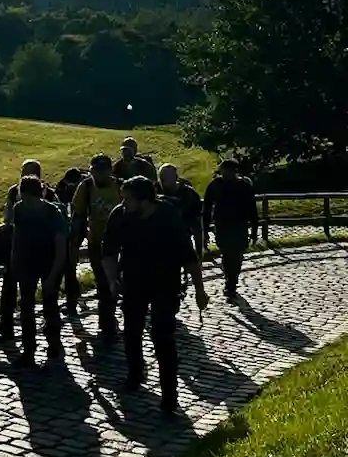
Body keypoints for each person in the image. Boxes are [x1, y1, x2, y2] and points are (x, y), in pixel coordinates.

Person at [102, 175, 209, 413]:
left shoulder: (167, 216)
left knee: (163, 336)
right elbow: (108, 251)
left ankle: (169, 393)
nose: (123, 203)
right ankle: (135, 372)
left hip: (165, 282)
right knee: (131, 332)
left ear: (145, 200)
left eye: (128, 199)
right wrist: (112, 281)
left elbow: (187, 254)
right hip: (133, 282)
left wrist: (200, 290)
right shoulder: (120, 216)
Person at [8, 173, 68, 365]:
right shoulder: (19, 209)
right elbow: (17, 239)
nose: (27, 201)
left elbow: (60, 246)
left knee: (50, 305)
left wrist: (54, 274)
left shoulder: (52, 213)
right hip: (27, 264)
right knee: (26, 307)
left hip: (48, 263)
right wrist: (14, 263)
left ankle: (53, 343)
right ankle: (28, 348)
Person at [69, 152, 126, 340]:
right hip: (97, 243)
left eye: (102, 171)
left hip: (120, 243)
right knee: (103, 282)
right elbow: (78, 216)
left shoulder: (120, 186)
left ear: (109, 171)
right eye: (95, 171)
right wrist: (74, 246)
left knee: (121, 281)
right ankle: (107, 322)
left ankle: (120, 317)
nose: (98, 175)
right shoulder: (85, 187)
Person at [0, 160, 53, 338]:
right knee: (11, 288)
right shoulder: (14, 192)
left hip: (42, 251)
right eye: (23, 172)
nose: (24, 175)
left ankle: (49, 328)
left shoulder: (49, 195)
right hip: (18, 246)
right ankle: (7, 324)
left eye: (28, 172)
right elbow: (8, 217)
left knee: (44, 293)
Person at [203, 158, 259, 299]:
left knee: (237, 255)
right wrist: (205, 230)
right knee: (227, 255)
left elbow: (252, 208)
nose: (227, 174)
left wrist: (254, 229)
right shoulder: (215, 185)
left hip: (239, 225)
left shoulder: (244, 185)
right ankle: (230, 282)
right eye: (225, 171)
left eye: (230, 171)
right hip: (222, 225)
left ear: (235, 171)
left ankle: (232, 281)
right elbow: (207, 208)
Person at [158, 163, 205, 274]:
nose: (163, 182)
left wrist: (199, 251)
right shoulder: (154, 192)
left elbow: (197, 225)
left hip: (182, 238)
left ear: (175, 178)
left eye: (167, 179)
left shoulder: (188, 195)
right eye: (162, 179)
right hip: (159, 241)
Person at [55, 168, 85, 314]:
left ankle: (72, 299)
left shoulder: (86, 185)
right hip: (71, 228)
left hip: (81, 227)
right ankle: (72, 299)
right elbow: (60, 203)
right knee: (69, 266)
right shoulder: (64, 185)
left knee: (70, 265)